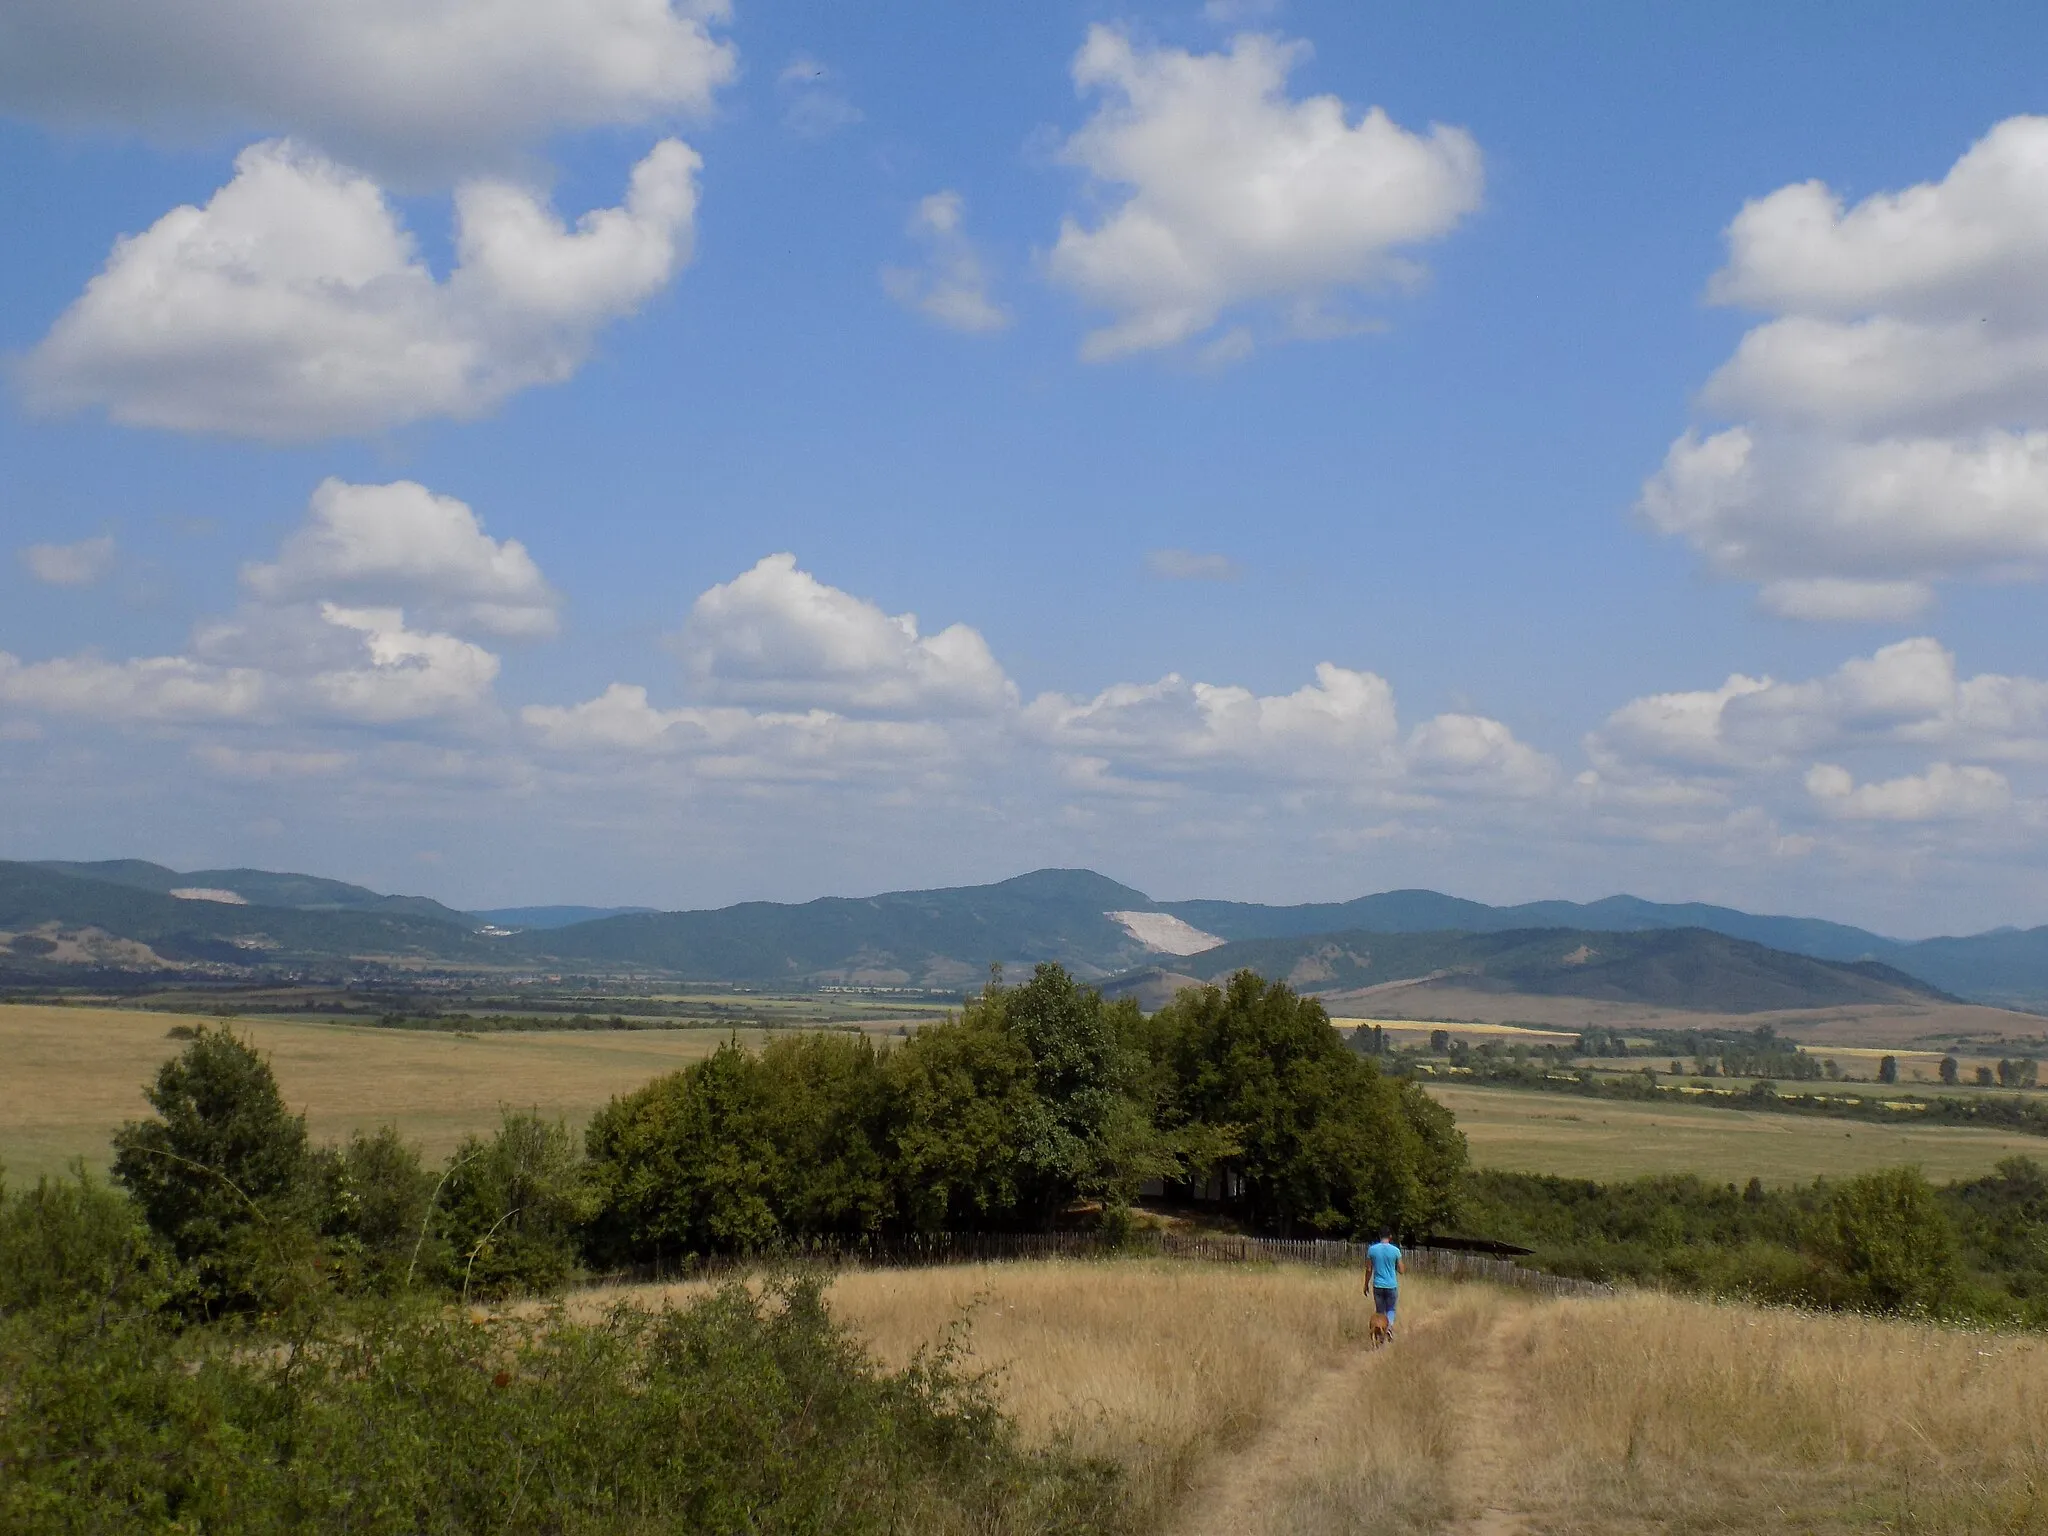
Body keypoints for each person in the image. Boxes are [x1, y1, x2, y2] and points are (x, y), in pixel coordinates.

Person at [1366, 1228, 1403, 1339]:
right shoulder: (1395, 1250)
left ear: (1379, 1235)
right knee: (1391, 1309)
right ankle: (1389, 1328)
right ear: (1390, 1236)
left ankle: (1379, 1331)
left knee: (1380, 1311)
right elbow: (1402, 1270)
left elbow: (1368, 1269)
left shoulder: (1372, 1250)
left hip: (1378, 1285)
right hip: (1391, 1285)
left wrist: (1365, 1284)